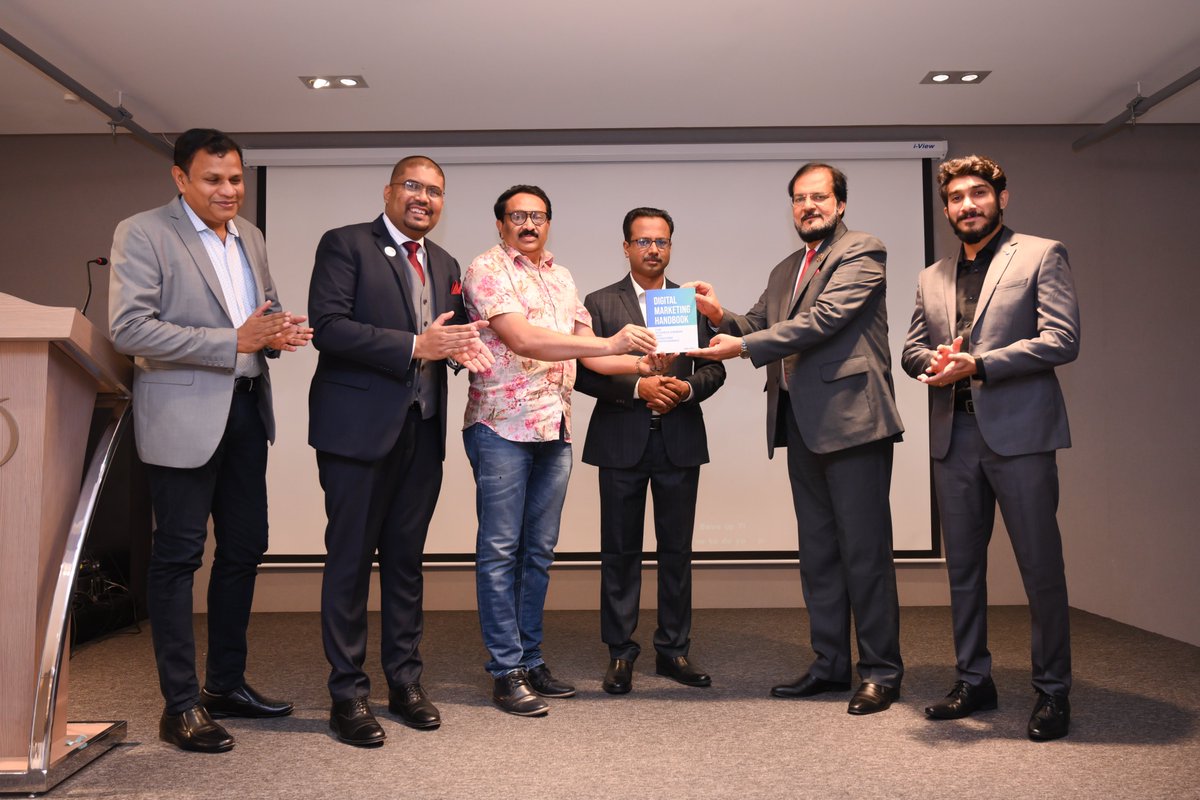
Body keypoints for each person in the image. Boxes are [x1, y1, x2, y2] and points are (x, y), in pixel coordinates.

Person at [108, 128, 311, 753]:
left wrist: (276, 332)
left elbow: (259, 311)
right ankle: (179, 706)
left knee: (245, 548)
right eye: (213, 179)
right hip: (182, 418)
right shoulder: (143, 232)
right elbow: (129, 328)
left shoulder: (250, 234)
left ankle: (224, 685)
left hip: (247, 410)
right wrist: (233, 341)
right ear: (180, 178)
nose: (229, 191)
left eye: (236, 179)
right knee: (178, 557)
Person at [688, 162, 904, 715]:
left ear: (840, 204)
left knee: (865, 554)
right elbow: (759, 323)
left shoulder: (862, 250)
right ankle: (830, 665)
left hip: (854, 422)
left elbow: (824, 320)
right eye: (799, 199)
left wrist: (742, 347)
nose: (808, 207)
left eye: (819, 197)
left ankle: (881, 672)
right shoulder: (788, 266)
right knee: (819, 554)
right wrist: (719, 315)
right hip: (801, 424)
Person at [307, 156, 492, 747]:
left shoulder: (445, 263)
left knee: (407, 563)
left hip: (422, 430)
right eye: (413, 186)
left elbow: (448, 336)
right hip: (357, 432)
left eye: (435, 191)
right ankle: (348, 694)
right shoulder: (345, 244)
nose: (424, 198)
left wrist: (460, 350)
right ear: (388, 191)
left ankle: (405, 684)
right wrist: (417, 345)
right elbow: (328, 327)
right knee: (350, 562)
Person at [462, 185, 660, 716]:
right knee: (500, 551)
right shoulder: (486, 269)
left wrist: (646, 362)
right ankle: (505, 671)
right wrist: (612, 343)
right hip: (502, 429)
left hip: (554, 430)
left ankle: (529, 659)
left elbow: (590, 357)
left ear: (548, 222)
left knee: (538, 553)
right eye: (518, 216)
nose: (529, 224)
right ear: (500, 223)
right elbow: (523, 340)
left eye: (538, 215)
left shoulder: (562, 276)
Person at [902, 154, 1080, 741]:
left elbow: (1062, 339)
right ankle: (974, 680)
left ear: (1002, 198)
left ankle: (1052, 691)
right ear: (946, 209)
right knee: (963, 571)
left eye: (978, 193)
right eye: (956, 198)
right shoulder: (931, 276)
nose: (967, 205)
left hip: (1021, 438)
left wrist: (978, 365)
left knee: (1040, 568)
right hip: (954, 437)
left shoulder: (1041, 254)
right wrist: (934, 361)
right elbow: (911, 350)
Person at [574, 207, 726, 694]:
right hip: (620, 441)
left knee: (676, 551)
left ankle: (673, 650)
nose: (653, 249)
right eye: (643, 241)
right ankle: (620, 652)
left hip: (679, 440)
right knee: (619, 551)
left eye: (661, 241)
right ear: (626, 247)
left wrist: (685, 389)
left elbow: (715, 368)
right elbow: (581, 374)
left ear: (670, 247)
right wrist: (638, 388)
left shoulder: (690, 304)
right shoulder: (599, 303)